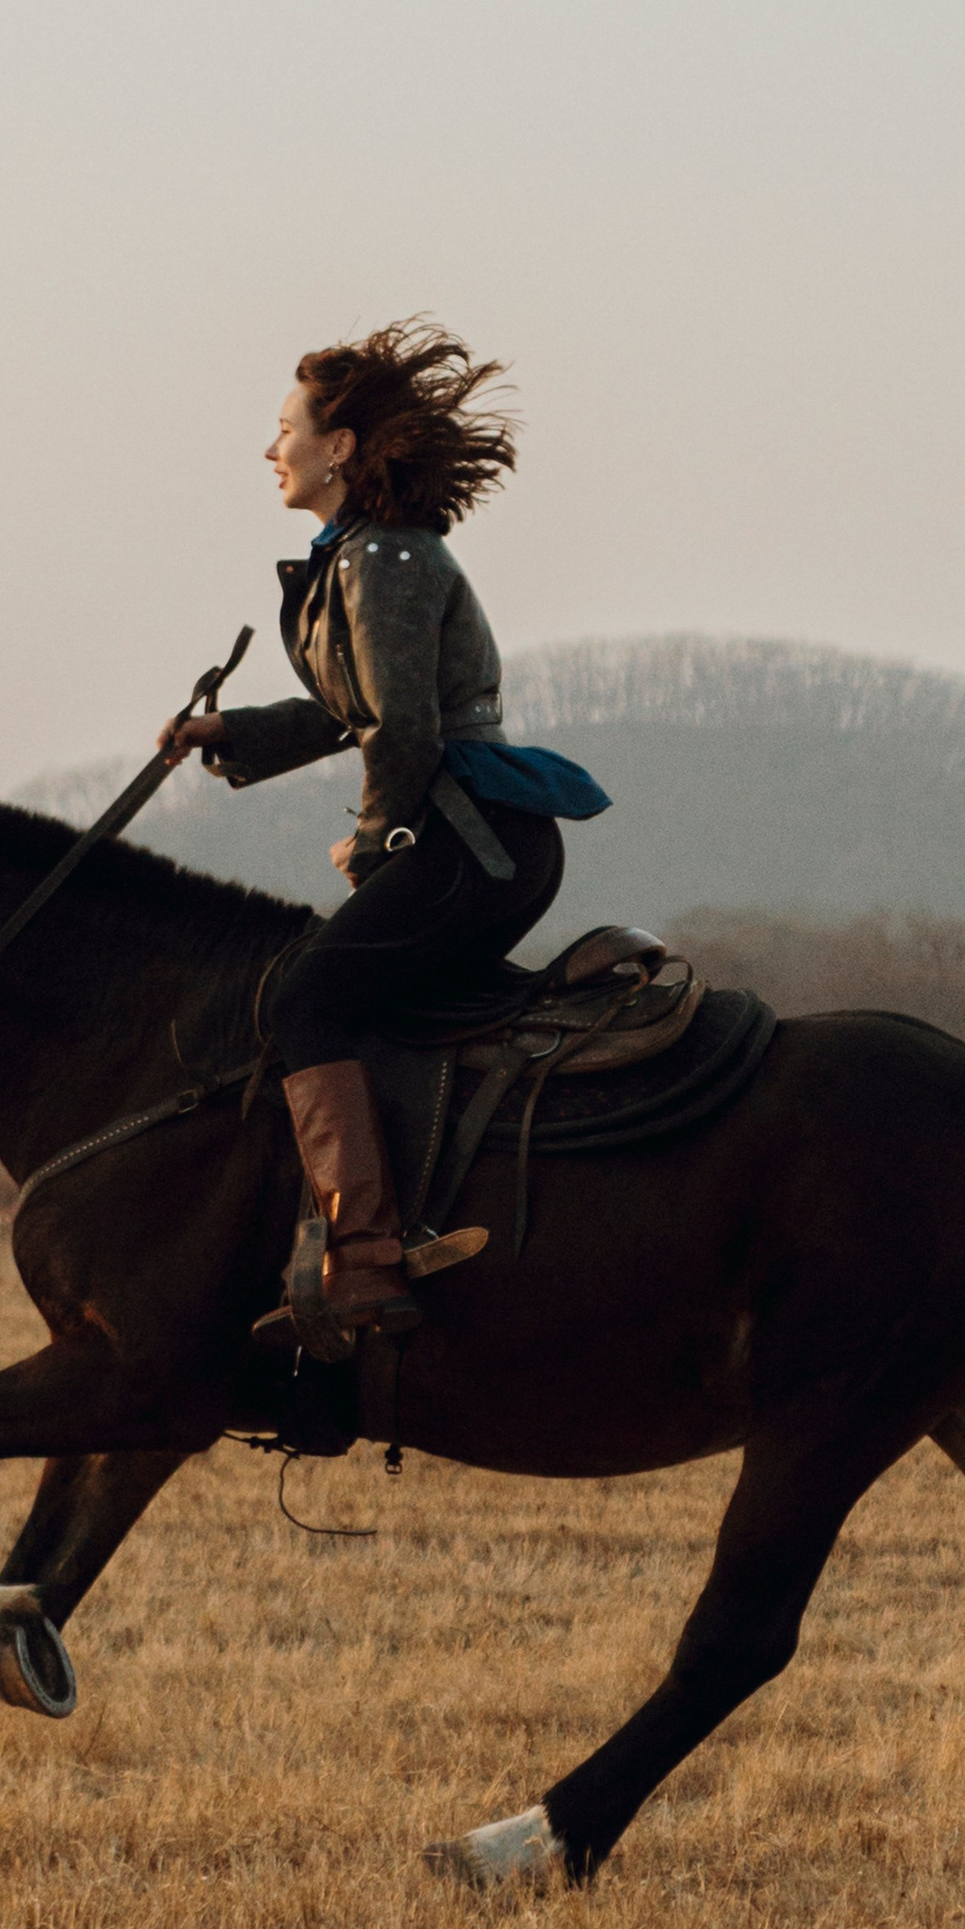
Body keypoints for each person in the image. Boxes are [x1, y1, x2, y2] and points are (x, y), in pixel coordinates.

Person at [159, 323, 608, 1338]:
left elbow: (400, 729)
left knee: (303, 995)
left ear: (342, 446)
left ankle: (363, 1262)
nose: (270, 449)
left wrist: (371, 839)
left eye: (285, 429)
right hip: (470, 839)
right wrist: (231, 731)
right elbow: (346, 711)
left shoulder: (386, 559)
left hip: (475, 842)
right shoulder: (361, 559)